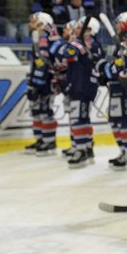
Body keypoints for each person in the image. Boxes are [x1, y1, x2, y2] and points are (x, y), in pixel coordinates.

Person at [100, 12, 127, 169]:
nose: (116, 26)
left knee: (124, 120)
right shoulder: (122, 44)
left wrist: (108, 68)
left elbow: (124, 67)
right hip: (116, 86)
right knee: (115, 120)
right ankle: (123, 151)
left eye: (119, 23)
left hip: (126, 88)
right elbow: (115, 64)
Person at [60, 17, 103, 168]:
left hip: (81, 86)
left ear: (89, 30)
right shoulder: (92, 44)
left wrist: (73, 43)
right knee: (83, 118)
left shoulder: (83, 44)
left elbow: (66, 53)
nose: (76, 30)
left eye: (79, 27)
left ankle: (80, 150)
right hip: (85, 85)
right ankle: (87, 148)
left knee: (77, 119)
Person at [24, 12, 61, 156]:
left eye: (33, 22)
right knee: (36, 112)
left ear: (42, 24)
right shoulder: (38, 38)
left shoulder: (49, 39)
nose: (30, 24)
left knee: (45, 112)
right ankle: (40, 140)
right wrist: (32, 83)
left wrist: (38, 83)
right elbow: (36, 63)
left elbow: (46, 65)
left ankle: (49, 141)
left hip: (47, 82)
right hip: (38, 81)